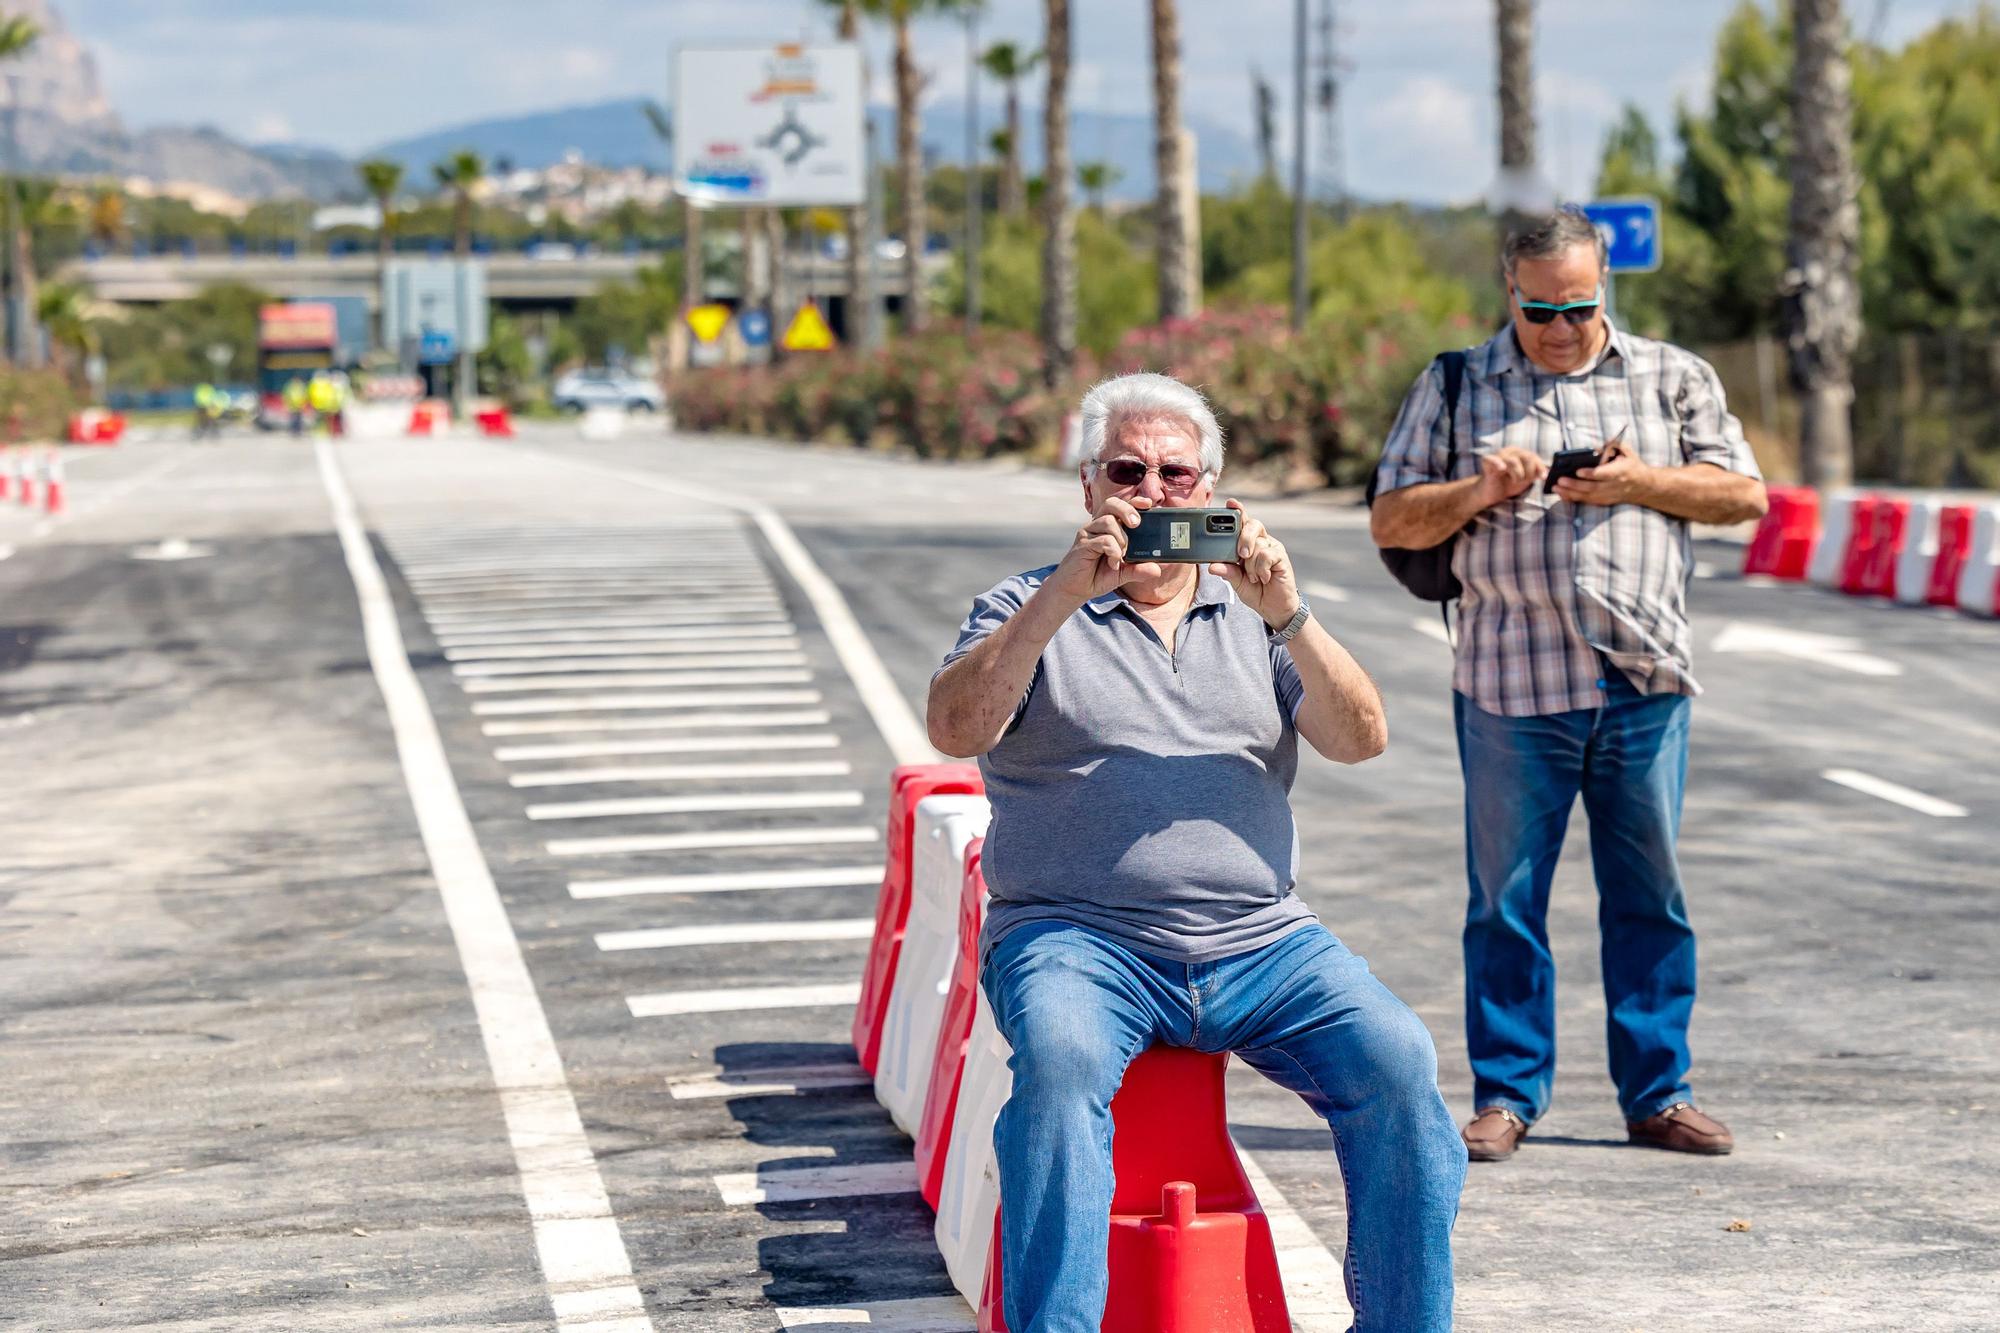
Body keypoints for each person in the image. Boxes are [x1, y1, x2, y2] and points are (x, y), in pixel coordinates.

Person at [928, 372, 1466, 1332]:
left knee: (1399, 1063)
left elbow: (1361, 737)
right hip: (1078, 938)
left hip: (1262, 940)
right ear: (1089, 487)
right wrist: (1060, 596)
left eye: (1178, 475)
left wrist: (1290, 615)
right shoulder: (1022, 606)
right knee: (1057, 1066)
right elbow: (956, 724)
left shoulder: (1255, 619)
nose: (1153, 492)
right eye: (1127, 471)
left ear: (1213, 495)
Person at [1369, 208, 1768, 1163]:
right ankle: (1507, 1094)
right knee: (1505, 902)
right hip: (1512, 685)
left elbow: (1745, 495)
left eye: (1579, 308)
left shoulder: (1672, 376)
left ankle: (1658, 1091)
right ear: (1510, 292)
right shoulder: (1456, 383)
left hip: (1642, 681)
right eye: (1541, 308)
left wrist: (1639, 483)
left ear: (1607, 289)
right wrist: (1478, 491)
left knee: (1652, 895)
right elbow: (1391, 517)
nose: (1558, 327)